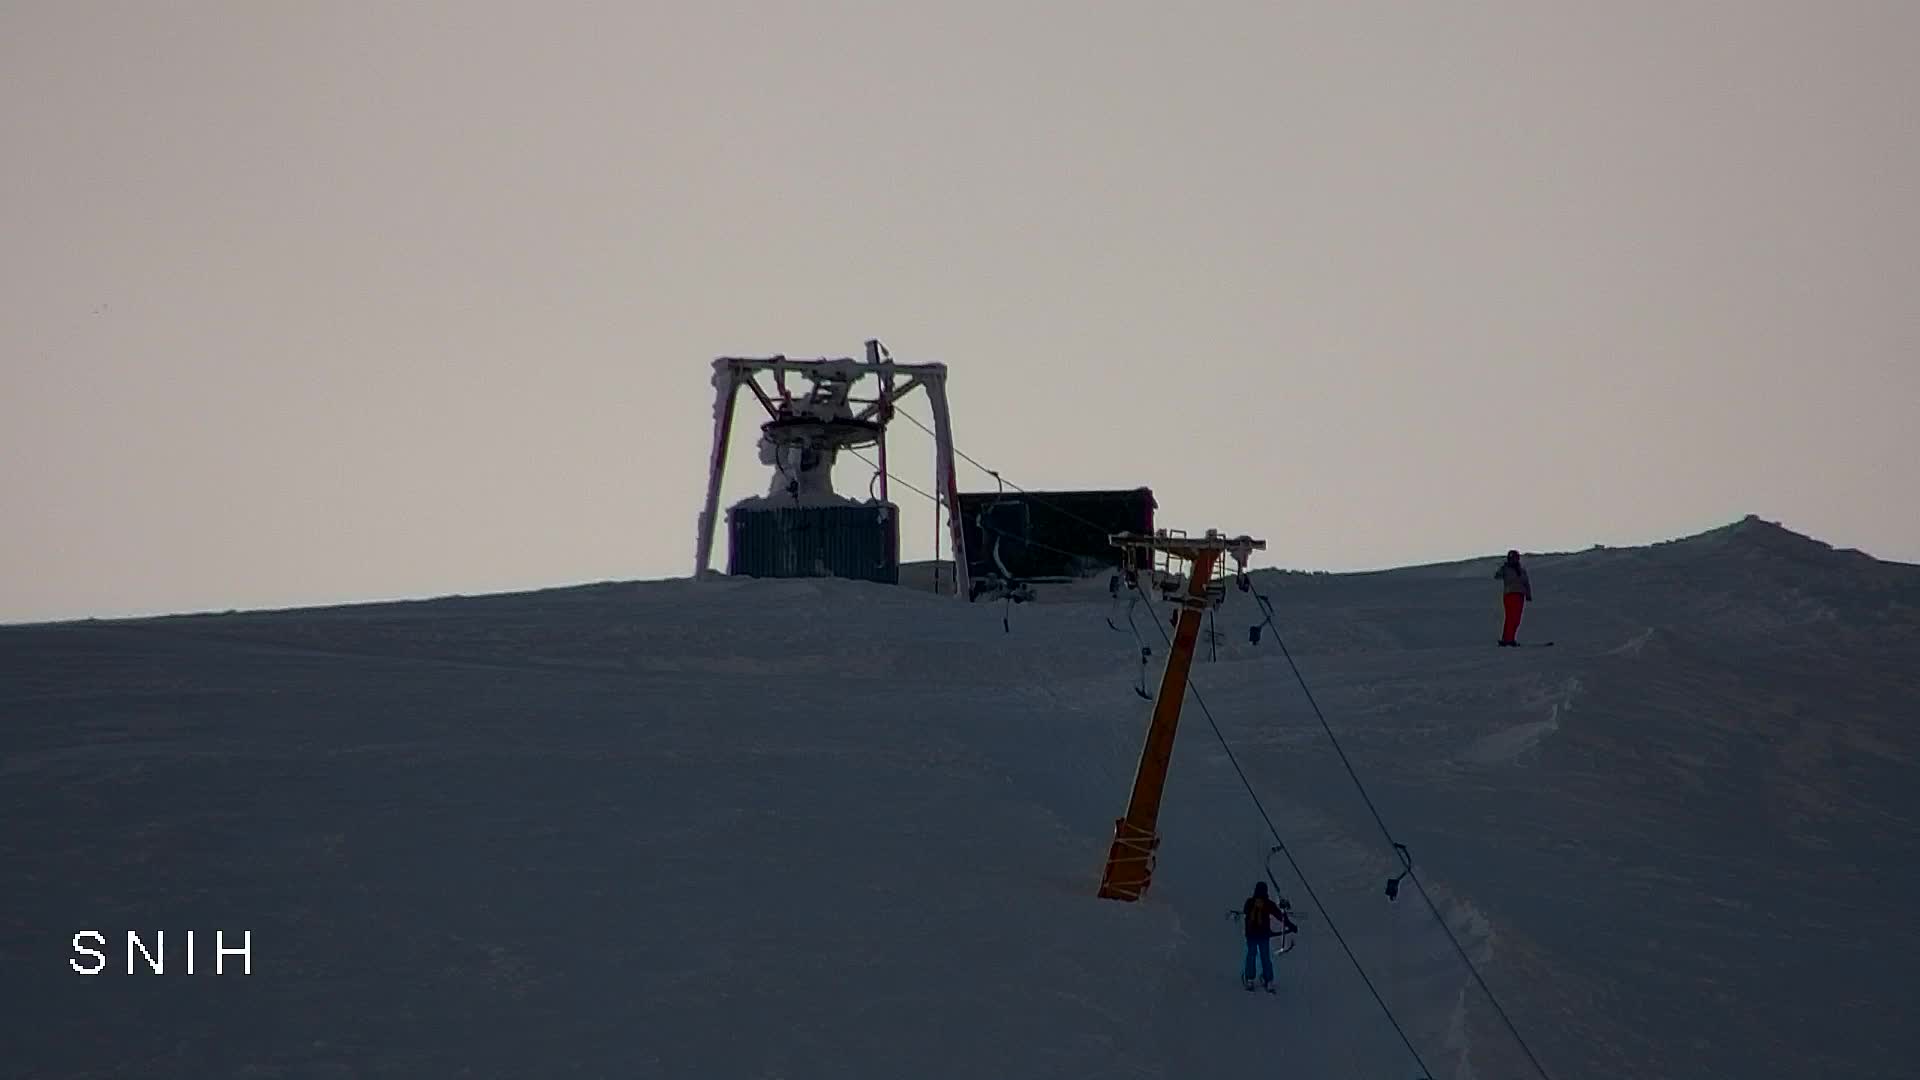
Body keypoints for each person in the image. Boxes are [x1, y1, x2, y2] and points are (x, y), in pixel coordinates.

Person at [1240, 881, 1293, 990]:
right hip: (1263, 935)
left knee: (1251, 955)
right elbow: (1279, 916)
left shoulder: (1250, 902)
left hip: (1251, 935)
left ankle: (1250, 979)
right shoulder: (1268, 904)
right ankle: (1268, 979)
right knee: (1265, 957)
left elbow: (1245, 912)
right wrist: (1290, 925)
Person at [1494, 549, 1533, 646]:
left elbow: (1526, 583)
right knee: (1510, 617)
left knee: (1516, 619)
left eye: (1516, 558)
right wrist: (1502, 569)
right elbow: (1497, 576)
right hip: (1510, 594)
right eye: (1512, 558)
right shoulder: (1506, 569)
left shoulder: (1521, 570)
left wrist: (1528, 594)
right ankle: (1507, 639)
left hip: (1520, 595)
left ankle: (1510, 638)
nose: (1514, 560)